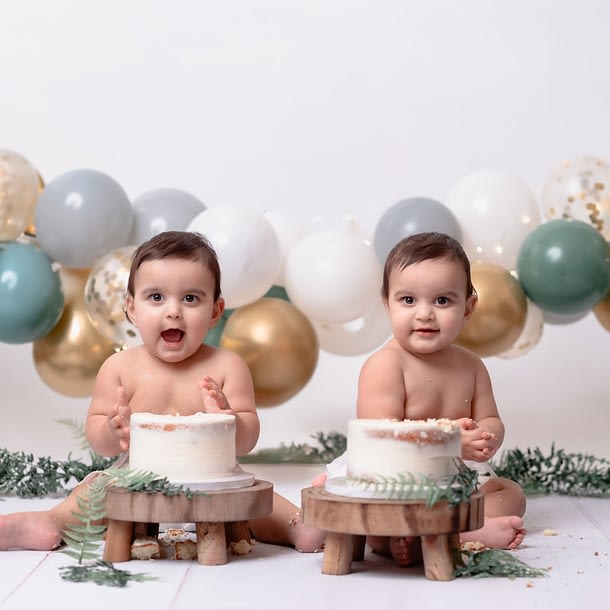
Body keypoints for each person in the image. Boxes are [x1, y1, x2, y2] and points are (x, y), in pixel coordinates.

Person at [0, 230, 325, 554]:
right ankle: (49, 522)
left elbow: (247, 440)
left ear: (215, 310)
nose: (173, 311)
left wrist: (229, 421)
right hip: (135, 476)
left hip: (213, 475)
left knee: (255, 497)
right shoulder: (119, 367)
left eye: (191, 298)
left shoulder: (228, 366)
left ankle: (297, 526)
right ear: (131, 308)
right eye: (156, 297)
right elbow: (98, 438)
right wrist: (113, 429)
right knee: (92, 493)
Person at [313, 231, 526, 567]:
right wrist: (447, 440)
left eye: (442, 301)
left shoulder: (471, 366)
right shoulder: (385, 365)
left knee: (509, 494)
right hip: (395, 477)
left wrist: (487, 435)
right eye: (409, 300)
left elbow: (490, 417)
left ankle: (444, 533)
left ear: (468, 307)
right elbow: (380, 438)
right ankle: (433, 535)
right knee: (376, 513)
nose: (425, 314)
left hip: (455, 475)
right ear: (387, 304)